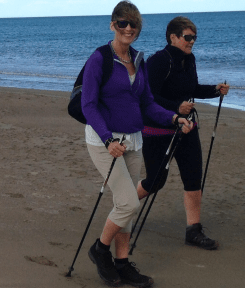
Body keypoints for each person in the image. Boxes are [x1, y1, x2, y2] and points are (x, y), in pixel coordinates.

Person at [82, 2, 192, 287]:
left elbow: (146, 104)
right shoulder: (99, 58)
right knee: (129, 203)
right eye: (122, 23)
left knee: (126, 206)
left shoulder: (138, 60)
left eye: (134, 24)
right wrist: (107, 139)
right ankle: (100, 250)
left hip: (134, 140)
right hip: (104, 142)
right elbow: (89, 105)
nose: (128, 28)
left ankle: (122, 262)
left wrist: (172, 119)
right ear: (112, 25)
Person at [140, 16, 229, 250]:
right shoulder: (158, 61)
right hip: (158, 130)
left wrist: (214, 90)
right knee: (155, 181)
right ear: (173, 37)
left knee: (193, 178)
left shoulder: (189, 60)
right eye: (188, 37)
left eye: (194, 38)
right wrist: (175, 107)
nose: (192, 42)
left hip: (187, 128)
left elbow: (191, 89)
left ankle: (194, 231)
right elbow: (147, 97)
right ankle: (124, 205)